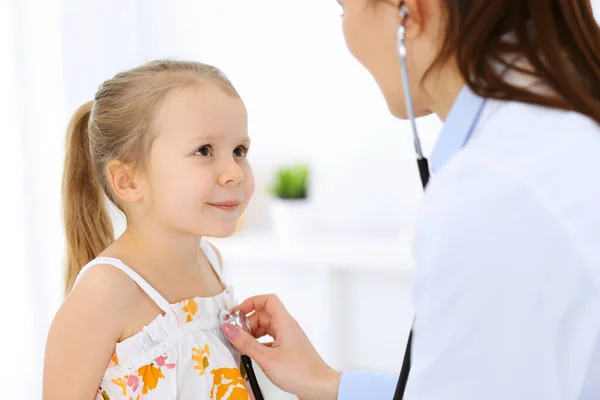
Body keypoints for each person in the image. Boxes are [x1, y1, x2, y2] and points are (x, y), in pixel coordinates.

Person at [221, 0, 600, 399]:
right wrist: (326, 383)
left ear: (409, 13)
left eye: (342, 8)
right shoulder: (556, 133)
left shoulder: (491, 189)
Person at [43, 60, 256, 399]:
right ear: (128, 181)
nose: (235, 173)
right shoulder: (105, 293)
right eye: (204, 150)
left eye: (239, 150)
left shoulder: (209, 260)